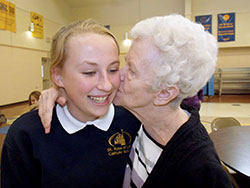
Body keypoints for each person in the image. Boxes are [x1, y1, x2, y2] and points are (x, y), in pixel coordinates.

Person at [37, 15, 233, 187]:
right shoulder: (137, 120)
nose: (115, 79)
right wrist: (63, 89)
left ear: (164, 94)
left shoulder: (200, 170)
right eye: (121, 65)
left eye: (131, 70)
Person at [1, 19, 140, 188]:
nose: (106, 85)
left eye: (113, 69)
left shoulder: (133, 121)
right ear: (58, 76)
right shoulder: (26, 134)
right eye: (89, 72)